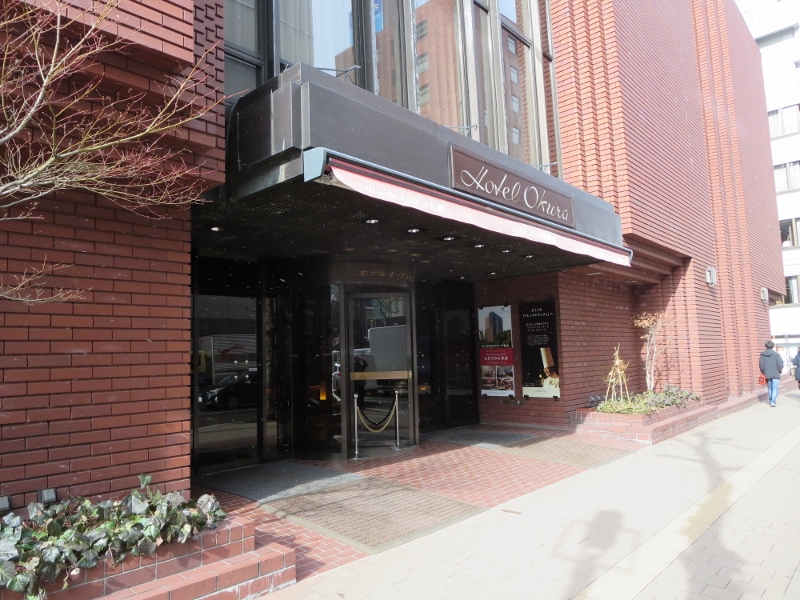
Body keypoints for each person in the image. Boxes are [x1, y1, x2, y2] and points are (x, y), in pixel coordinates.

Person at [759, 340, 784, 407]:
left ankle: (770, 400)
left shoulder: (762, 355)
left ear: (766, 346)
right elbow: (780, 364)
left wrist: (763, 371)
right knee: (775, 388)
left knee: (770, 387)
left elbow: (761, 365)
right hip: (775, 373)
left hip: (767, 373)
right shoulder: (776, 355)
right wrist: (779, 370)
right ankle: (773, 402)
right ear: (773, 346)